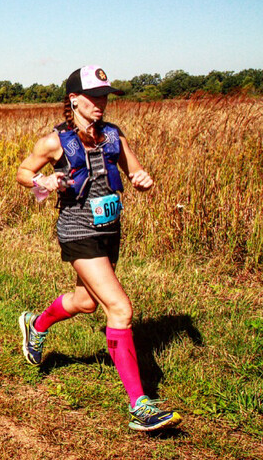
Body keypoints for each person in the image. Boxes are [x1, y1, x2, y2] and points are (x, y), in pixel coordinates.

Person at [17, 65, 182, 432]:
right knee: (120, 309)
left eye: (105, 96)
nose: (101, 103)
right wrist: (43, 180)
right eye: (94, 97)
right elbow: (22, 173)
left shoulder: (113, 135)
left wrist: (143, 180)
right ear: (74, 99)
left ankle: (36, 324)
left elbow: (136, 173)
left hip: (110, 229)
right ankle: (140, 405)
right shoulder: (54, 142)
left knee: (86, 302)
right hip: (77, 230)